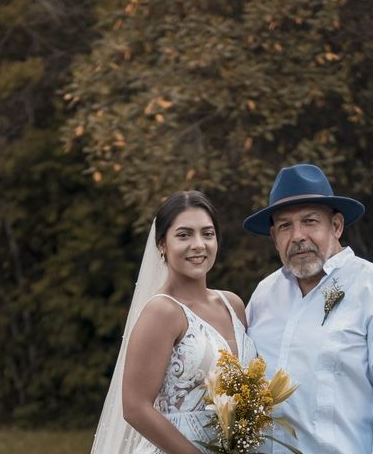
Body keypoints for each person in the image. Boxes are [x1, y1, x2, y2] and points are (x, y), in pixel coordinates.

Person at [243, 163, 373, 454]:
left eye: (310, 221)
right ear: (274, 237)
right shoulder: (264, 293)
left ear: (336, 226)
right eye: (285, 226)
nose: (298, 235)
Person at [91, 191, 257, 454]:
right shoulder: (162, 312)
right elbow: (135, 407)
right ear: (162, 244)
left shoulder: (233, 304)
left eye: (207, 233)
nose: (198, 244)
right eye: (184, 235)